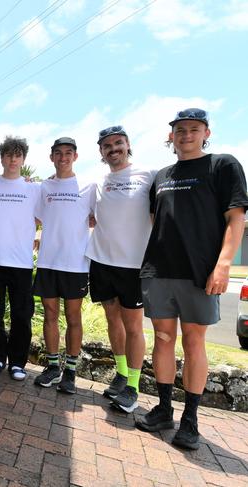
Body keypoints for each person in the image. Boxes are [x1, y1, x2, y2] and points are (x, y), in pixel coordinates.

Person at [136, 108, 248, 450]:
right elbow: (158, 221)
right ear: (171, 135)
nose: (186, 134)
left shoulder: (223, 165)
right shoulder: (162, 175)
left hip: (200, 272)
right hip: (159, 270)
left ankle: (191, 420)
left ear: (205, 132)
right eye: (180, 129)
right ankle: (165, 409)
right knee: (163, 338)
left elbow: (236, 219)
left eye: (193, 128)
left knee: (194, 342)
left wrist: (223, 264)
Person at [86, 126, 154, 412]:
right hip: (102, 262)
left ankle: (134, 387)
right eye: (106, 146)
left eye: (118, 143)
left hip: (133, 266)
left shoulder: (148, 176)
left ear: (128, 145)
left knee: (134, 326)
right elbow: (89, 217)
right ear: (101, 152)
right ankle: (122, 374)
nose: (113, 149)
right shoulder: (97, 182)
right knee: (113, 321)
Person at [33, 137, 96, 394]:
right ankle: (52, 366)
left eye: (68, 153)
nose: (63, 157)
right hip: (48, 261)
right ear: (51, 157)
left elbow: (97, 218)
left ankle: (70, 370)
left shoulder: (89, 187)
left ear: (75, 157)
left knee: (73, 317)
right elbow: (35, 218)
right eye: (58, 153)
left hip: (76, 263)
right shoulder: (43, 187)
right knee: (49, 314)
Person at [0, 136, 40, 381]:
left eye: (17, 155)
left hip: (22, 263)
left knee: (21, 315)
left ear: (23, 159)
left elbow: (46, 216)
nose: (13, 159)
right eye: (8, 155)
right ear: (2, 157)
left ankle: (17, 362)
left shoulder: (34, 188)